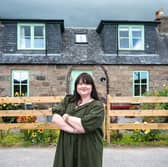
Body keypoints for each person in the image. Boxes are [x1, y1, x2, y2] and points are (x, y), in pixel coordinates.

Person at [52, 72, 105, 167]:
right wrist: (73, 130)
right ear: (76, 86)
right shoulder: (69, 100)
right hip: (67, 147)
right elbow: (55, 119)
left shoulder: (97, 106)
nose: (83, 86)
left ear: (92, 87)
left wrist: (66, 117)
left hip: (88, 149)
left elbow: (83, 126)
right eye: (80, 84)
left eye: (87, 83)